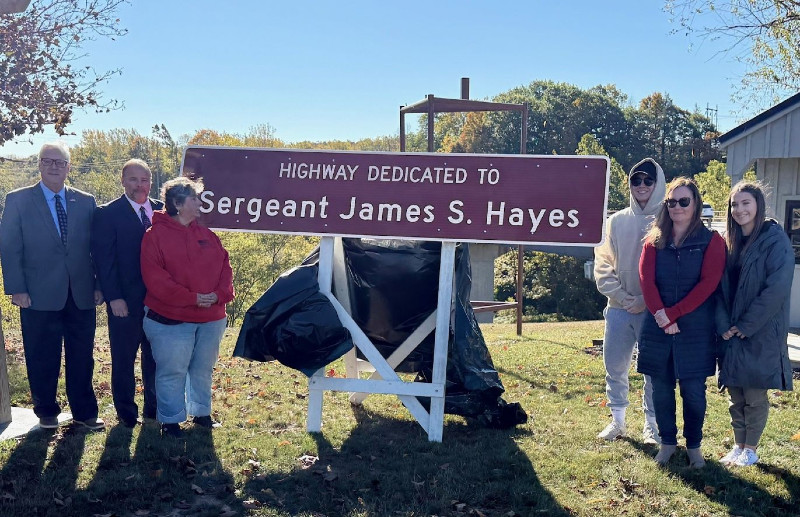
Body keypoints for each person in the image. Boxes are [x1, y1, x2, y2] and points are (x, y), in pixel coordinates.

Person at [0, 141, 105, 430]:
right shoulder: (19, 199)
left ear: (69, 167)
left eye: (60, 162)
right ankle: (46, 412)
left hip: (81, 292)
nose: (54, 166)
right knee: (42, 355)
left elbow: (95, 247)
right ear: (39, 165)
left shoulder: (86, 201)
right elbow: (9, 247)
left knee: (82, 356)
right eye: (48, 161)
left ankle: (85, 413)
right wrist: (17, 288)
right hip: (36, 294)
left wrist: (98, 284)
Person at [638, 177, 726, 468]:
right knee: (660, 389)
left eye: (684, 201)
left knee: (693, 391)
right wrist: (662, 316)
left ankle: (695, 446)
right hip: (658, 326)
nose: (677, 207)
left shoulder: (712, 241)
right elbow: (645, 281)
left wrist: (673, 313)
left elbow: (709, 283)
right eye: (671, 202)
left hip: (694, 328)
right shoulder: (653, 240)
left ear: (696, 204)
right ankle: (667, 444)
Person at [141, 177, 234, 438]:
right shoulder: (154, 236)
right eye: (194, 198)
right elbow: (156, 280)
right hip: (170, 318)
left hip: (211, 318)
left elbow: (225, 268)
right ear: (177, 203)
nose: (199, 203)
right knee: (172, 371)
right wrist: (192, 298)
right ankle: (170, 421)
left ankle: (201, 414)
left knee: (202, 369)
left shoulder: (207, 235)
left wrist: (218, 295)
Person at [716, 181, 794, 467]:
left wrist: (746, 325)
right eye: (734, 204)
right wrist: (723, 323)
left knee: (754, 394)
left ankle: (751, 448)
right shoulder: (729, 242)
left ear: (759, 205)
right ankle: (738, 446)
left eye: (746, 203)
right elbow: (720, 288)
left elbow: (776, 288)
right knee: (735, 393)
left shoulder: (774, 240)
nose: (739, 210)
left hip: (759, 331)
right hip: (731, 332)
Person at [594, 158, 665, 444]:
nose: (642, 186)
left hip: (655, 310)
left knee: (652, 371)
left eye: (648, 180)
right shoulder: (615, 221)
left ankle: (652, 426)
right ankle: (618, 422)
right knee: (615, 365)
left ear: (658, 182)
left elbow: (673, 271)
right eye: (636, 180)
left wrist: (647, 302)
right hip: (619, 309)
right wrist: (623, 298)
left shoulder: (669, 218)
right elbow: (602, 266)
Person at [92, 159, 163, 428]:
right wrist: (114, 297)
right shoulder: (107, 213)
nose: (139, 185)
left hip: (158, 302)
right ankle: (126, 414)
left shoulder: (162, 210)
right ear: (123, 181)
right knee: (123, 359)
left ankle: (153, 412)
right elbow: (103, 259)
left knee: (155, 358)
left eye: (144, 179)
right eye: (133, 179)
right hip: (124, 301)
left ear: (150, 182)